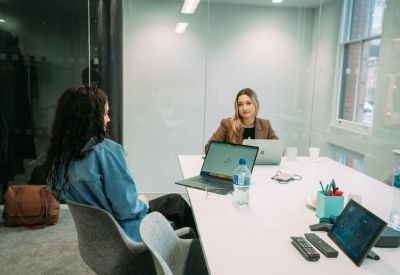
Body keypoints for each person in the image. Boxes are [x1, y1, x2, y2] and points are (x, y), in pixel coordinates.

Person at [44, 84, 196, 242]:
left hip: (98, 236)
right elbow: (127, 210)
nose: (108, 119)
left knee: (173, 201)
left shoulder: (60, 157)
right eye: (105, 113)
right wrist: (142, 203)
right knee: (176, 206)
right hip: (127, 233)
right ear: (90, 118)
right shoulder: (106, 152)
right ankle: (200, 251)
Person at [205, 88, 278, 153]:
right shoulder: (227, 123)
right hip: (235, 166)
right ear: (237, 107)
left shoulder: (265, 124)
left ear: (256, 104)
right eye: (240, 104)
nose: (244, 108)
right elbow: (208, 149)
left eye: (248, 103)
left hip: (259, 167)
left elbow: (278, 149)